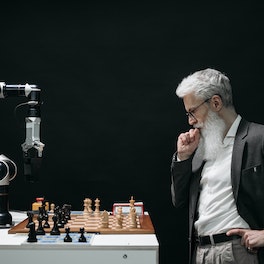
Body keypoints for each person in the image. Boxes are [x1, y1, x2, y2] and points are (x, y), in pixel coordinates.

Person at [171, 68, 264, 264]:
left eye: (192, 112)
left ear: (215, 102)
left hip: (239, 252)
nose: (190, 121)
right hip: (200, 252)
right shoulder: (201, 148)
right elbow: (179, 200)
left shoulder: (259, 138)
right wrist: (183, 157)